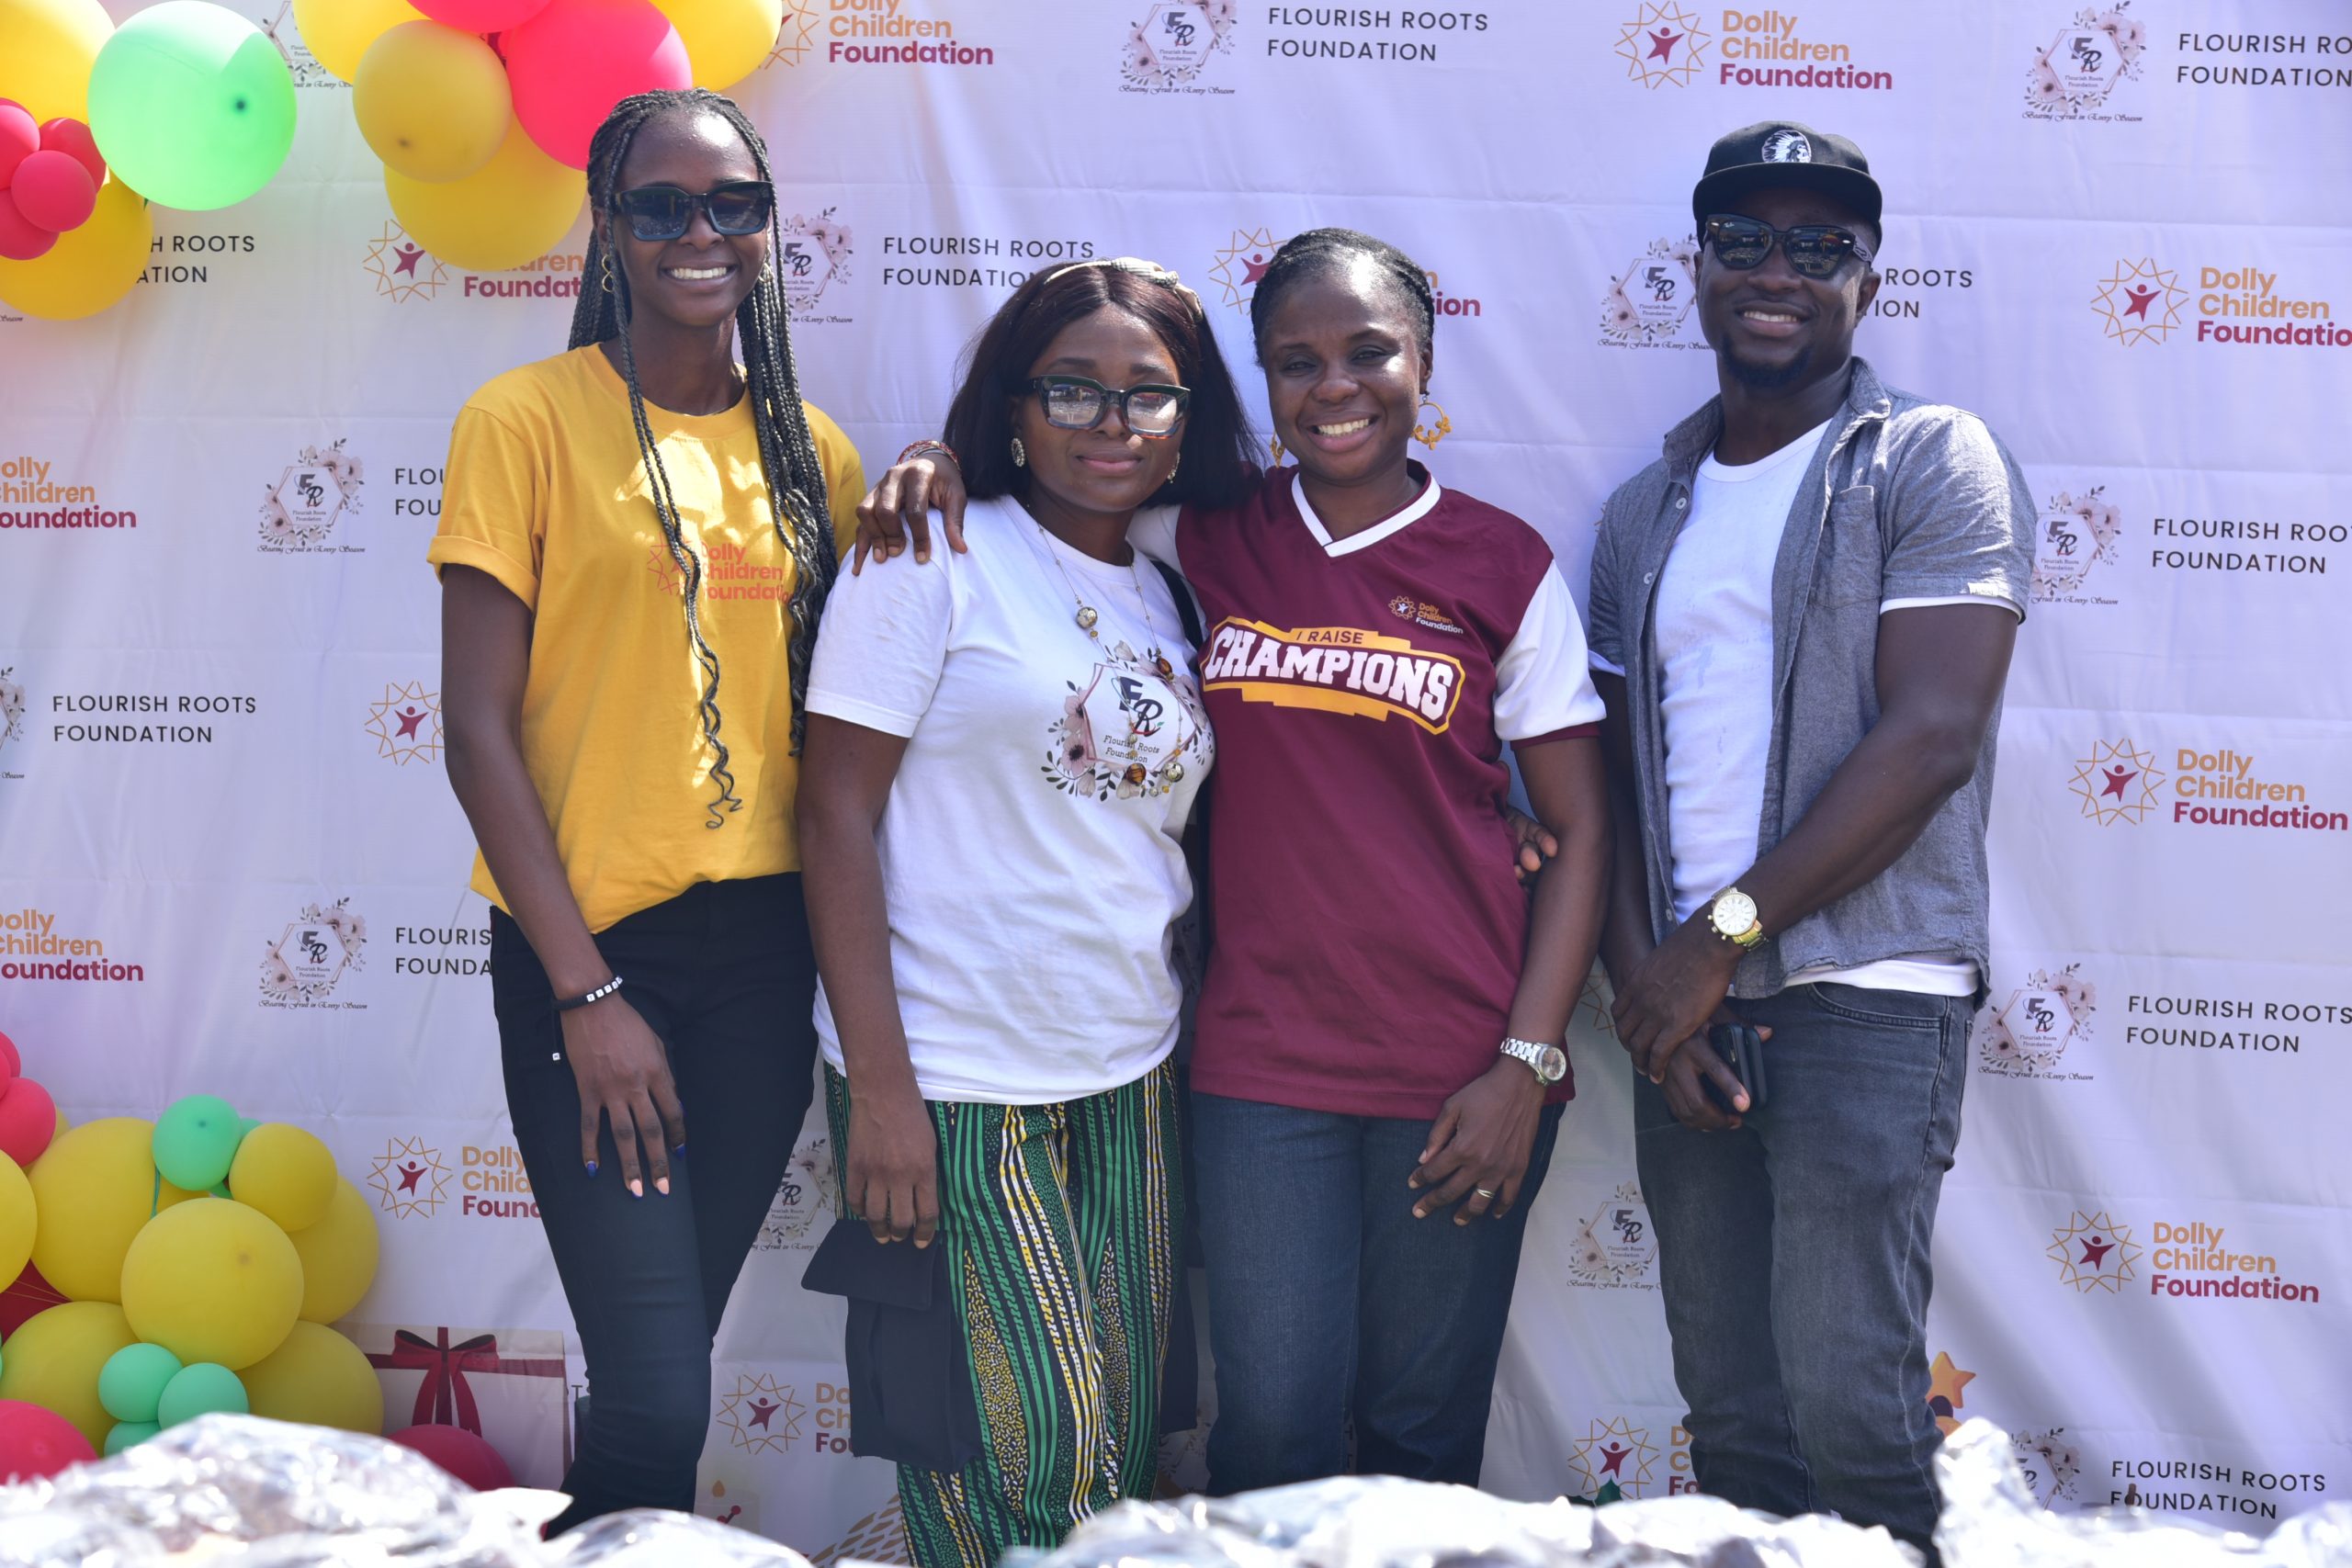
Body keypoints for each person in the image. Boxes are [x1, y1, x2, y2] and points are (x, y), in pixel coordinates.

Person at [851, 228, 1611, 1495]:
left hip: (1463, 1072)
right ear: (1260, 382)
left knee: (1424, 1436)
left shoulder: (1503, 563)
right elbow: (1043, 490)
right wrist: (936, 455)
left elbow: (1580, 830)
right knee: (1271, 1436)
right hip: (1260, 1073)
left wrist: (1526, 1066)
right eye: (1296, 361)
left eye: (1370, 352)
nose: (1336, 385)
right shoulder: (1195, 534)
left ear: (1424, 362)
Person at [1589, 122, 2033, 1559]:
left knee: (1853, 1412)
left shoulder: (1927, 460)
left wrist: (1715, 945)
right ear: (1700, 271)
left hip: (1864, 992)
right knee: (1734, 1419)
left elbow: (1931, 737)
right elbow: (1600, 775)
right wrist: (1649, 994)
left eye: (1820, 246)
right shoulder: (1642, 510)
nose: (1779, 271)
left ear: (1868, 277)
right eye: (1746, 242)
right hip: (1686, 1009)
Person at [429, 89, 863, 1530]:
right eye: (663, 205)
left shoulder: (819, 459)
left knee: (657, 1377)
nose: (701, 232)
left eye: (732, 203)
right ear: (608, 228)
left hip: (763, 964)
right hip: (588, 955)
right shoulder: (522, 421)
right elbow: (477, 731)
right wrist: (587, 989)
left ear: (765, 228)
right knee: (666, 1393)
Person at [797, 256, 1252, 1565]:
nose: (1112, 425)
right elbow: (834, 819)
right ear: (1013, 406)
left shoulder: (1171, 592)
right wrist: (881, 1089)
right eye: (1074, 389)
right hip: (951, 1078)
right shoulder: (926, 556)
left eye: (1147, 397)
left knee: (1121, 1446)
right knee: (1014, 1451)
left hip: (1130, 1068)